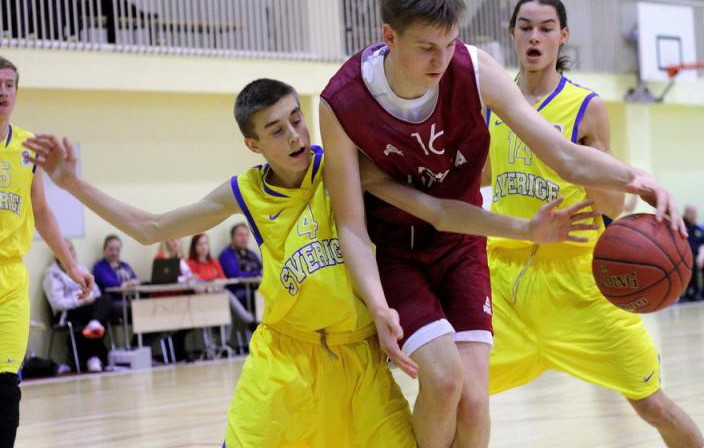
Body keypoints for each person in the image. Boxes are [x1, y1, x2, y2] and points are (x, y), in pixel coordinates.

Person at [24, 78, 591, 448]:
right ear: (254, 145)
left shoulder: (346, 169)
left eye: (297, 118)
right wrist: (72, 181)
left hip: (358, 364)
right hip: (285, 363)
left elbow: (439, 209)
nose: (296, 134)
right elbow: (151, 227)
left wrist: (523, 228)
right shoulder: (243, 192)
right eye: (277, 129)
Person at [319, 1, 684, 446]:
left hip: (477, 247)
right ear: (389, 37)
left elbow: (565, 159)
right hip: (409, 249)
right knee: (446, 382)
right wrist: (377, 307)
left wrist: (637, 179)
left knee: (475, 402)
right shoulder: (342, 102)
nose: (442, 60)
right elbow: (354, 223)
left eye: (451, 43)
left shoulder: (473, 70)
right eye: (428, 48)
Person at [483, 2, 704, 448]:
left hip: (582, 283)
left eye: (546, 28)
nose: (535, 37)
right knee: (459, 394)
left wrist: (588, 168)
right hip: (504, 283)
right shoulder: (491, 106)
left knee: (653, 405)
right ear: (511, 34)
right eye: (525, 27)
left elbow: (616, 203)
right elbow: (479, 178)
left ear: (562, 36)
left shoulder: (584, 108)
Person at [0, 56, 93, 448]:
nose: (2, 92)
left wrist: (71, 264)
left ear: (17, 93)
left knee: (5, 388)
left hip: (10, 284)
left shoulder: (27, 147)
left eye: (9, 85)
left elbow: (41, 212)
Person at [43, 240, 109, 373]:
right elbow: (57, 303)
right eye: (64, 249)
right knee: (98, 314)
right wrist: (81, 300)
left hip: (87, 307)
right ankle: (93, 356)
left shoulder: (81, 268)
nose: (69, 253)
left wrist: (89, 298)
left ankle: (94, 326)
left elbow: (95, 291)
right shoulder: (52, 275)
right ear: (57, 254)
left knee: (105, 300)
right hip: (66, 313)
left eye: (71, 249)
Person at [187, 233, 255, 326]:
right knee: (226, 294)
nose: (203, 247)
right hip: (201, 299)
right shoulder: (190, 263)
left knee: (225, 304)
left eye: (205, 243)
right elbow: (193, 281)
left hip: (217, 294)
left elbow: (223, 279)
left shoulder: (214, 262)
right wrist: (208, 286)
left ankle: (227, 338)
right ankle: (249, 319)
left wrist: (216, 286)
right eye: (200, 244)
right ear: (194, 247)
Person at [219, 223, 262, 316]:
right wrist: (255, 274)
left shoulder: (252, 254)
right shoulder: (227, 255)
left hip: (256, 289)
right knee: (257, 297)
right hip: (238, 293)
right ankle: (255, 325)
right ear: (232, 237)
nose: (244, 238)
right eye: (240, 235)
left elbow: (263, 271)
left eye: (246, 235)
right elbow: (235, 274)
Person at [683, 205, 704, 301]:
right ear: (685, 213)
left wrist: (702, 257)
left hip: (698, 255)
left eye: (695, 213)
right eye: (691, 213)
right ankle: (692, 291)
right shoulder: (681, 226)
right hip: (685, 256)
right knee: (692, 260)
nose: (694, 216)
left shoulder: (698, 229)